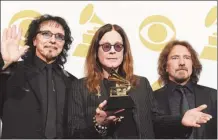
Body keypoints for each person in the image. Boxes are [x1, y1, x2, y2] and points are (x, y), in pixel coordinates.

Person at [66, 24, 212, 139]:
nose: (112, 51)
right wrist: (98, 125)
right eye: (106, 46)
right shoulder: (80, 87)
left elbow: (155, 122)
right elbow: (73, 134)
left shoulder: (141, 84)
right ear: (96, 51)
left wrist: (180, 121)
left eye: (118, 46)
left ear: (124, 51)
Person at [0, 14, 77, 138]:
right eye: (46, 34)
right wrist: (4, 64)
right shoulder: (11, 72)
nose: (53, 40)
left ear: (63, 44)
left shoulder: (72, 82)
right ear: (34, 40)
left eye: (59, 37)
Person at [153, 40, 217, 139]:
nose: (182, 63)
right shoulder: (152, 98)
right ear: (165, 66)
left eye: (187, 58)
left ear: (192, 64)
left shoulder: (213, 96)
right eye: (175, 58)